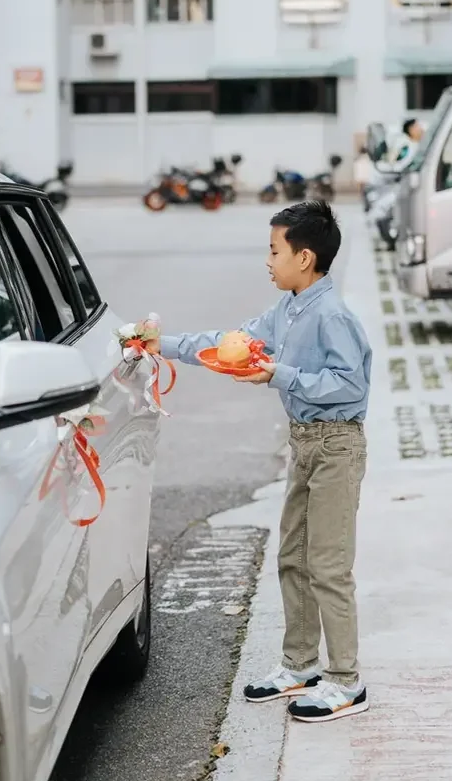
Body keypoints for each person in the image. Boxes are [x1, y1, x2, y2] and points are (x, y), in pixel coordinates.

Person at [147, 200, 372, 722]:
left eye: (274, 251)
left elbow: (350, 384)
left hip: (337, 446)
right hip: (305, 444)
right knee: (293, 557)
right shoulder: (286, 309)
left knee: (328, 565)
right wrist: (164, 346)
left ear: (304, 257)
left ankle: (346, 681)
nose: (268, 261)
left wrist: (279, 375)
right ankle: (300, 665)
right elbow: (230, 343)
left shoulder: (332, 315)